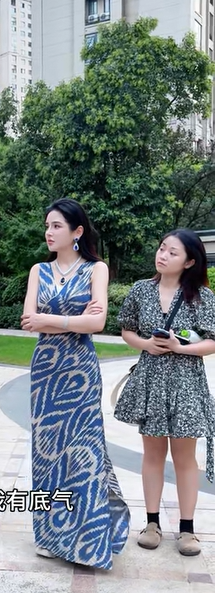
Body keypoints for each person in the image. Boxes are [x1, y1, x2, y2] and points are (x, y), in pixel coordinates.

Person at [21, 197, 130, 570]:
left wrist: (50, 320)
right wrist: (72, 319)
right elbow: (28, 320)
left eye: (56, 226)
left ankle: (89, 540)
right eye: (47, 226)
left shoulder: (96, 269)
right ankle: (50, 536)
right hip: (45, 371)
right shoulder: (39, 270)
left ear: (77, 231)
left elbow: (96, 324)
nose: (49, 232)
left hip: (80, 371)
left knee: (84, 452)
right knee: (47, 453)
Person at [114, 229, 215, 556]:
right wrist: (146, 344)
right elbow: (126, 329)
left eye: (173, 252)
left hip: (187, 384)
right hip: (151, 381)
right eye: (161, 248)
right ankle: (152, 524)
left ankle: (187, 530)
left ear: (189, 262)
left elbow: (212, 341)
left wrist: (179, 348)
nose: (163, 255)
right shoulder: (141, 290)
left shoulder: (202, 297)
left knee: (185, 458)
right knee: (153, 454)